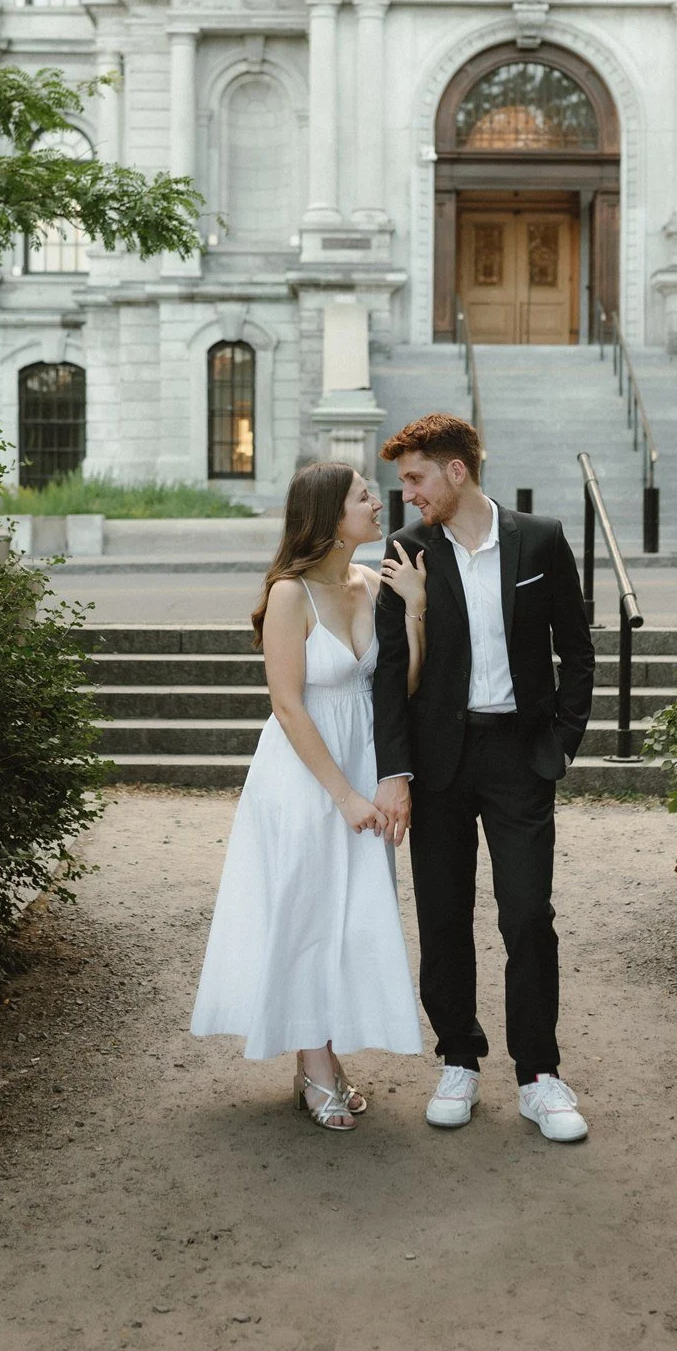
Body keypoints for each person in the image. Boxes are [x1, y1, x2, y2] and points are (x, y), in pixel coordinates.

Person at [370, 414, 596, 1143]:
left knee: (527, 914)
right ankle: (458, 1058)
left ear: (455, 472)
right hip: (439, 760)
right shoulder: (406, 550)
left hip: (519, 756)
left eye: (414, 479)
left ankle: (538, 1075)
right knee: (441, 917)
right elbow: (385, 672)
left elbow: (578, 647)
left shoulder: (540, 538)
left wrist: (560, 741)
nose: (405, 494)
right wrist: (394, 771)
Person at [190, 462, 427, 1129]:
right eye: (362, 497)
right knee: (305, 907)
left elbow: (401, 686)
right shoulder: (289, 594)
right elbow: (288, 706)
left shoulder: (371, 582)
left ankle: (313, 1061)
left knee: (348, 914)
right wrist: (345, 797)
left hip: (364, 754)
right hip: (305, 771)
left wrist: (413, 608)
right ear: (327, 515)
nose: (377, 506)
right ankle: (316, 1064)